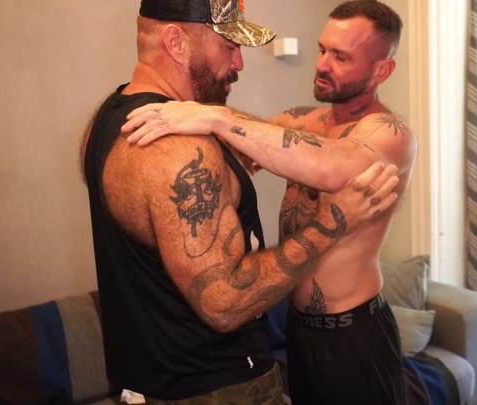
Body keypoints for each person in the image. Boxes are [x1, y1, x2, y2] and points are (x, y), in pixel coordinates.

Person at [80, 0, 400, 403]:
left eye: (341, 56)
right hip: (216, 386)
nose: (240, 63)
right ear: (176, 43)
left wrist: (217, 119)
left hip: (154, 379)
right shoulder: (179, 146)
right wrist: (330, 225)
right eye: (229, 47)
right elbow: (224, 303)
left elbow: (322, 160)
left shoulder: (107, 121)